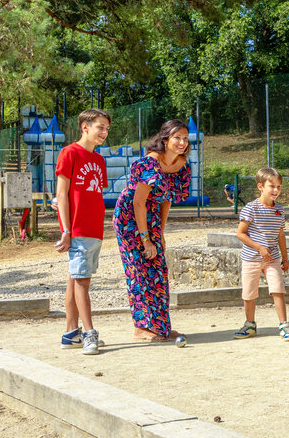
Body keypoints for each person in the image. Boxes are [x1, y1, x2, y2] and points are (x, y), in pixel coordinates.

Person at [113, 119, 192, 343]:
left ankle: (161, 327)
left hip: (153, 216)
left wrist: (160, 234)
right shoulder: (150, 163)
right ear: (165, 140)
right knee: (138, 270)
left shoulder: (182, 165)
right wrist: (146, 239)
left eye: (185, 138)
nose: (182, 142)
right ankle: (141, 328)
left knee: (158, 271)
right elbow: (138, 203)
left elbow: (167, 200)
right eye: (177, 138)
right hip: (130, 217)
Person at [55, 109, 111, 355]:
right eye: (100, 127)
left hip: (94, 230)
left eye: (107, 129)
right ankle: (89, 333)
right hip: (76, 229)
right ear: (85, 127)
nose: (104, 132)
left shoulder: (99, 160)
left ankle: (71, 333)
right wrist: (66, 230)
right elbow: (61, 195)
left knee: (75, 278)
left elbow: (95, 195)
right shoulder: (69, 153)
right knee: (82, 282)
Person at [234, 167, 289, 342]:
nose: (276, 190)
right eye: (272, 186)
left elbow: (280, 235)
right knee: (249, 293)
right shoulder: (250, 208)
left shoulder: (280, 210)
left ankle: (284, 324)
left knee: (278, 290)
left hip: (273, 258)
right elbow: (240, 233)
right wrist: (259, 247)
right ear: (261, 186)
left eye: (279, 187)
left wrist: (285, 258)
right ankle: (249, 324)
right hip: (251, 258)